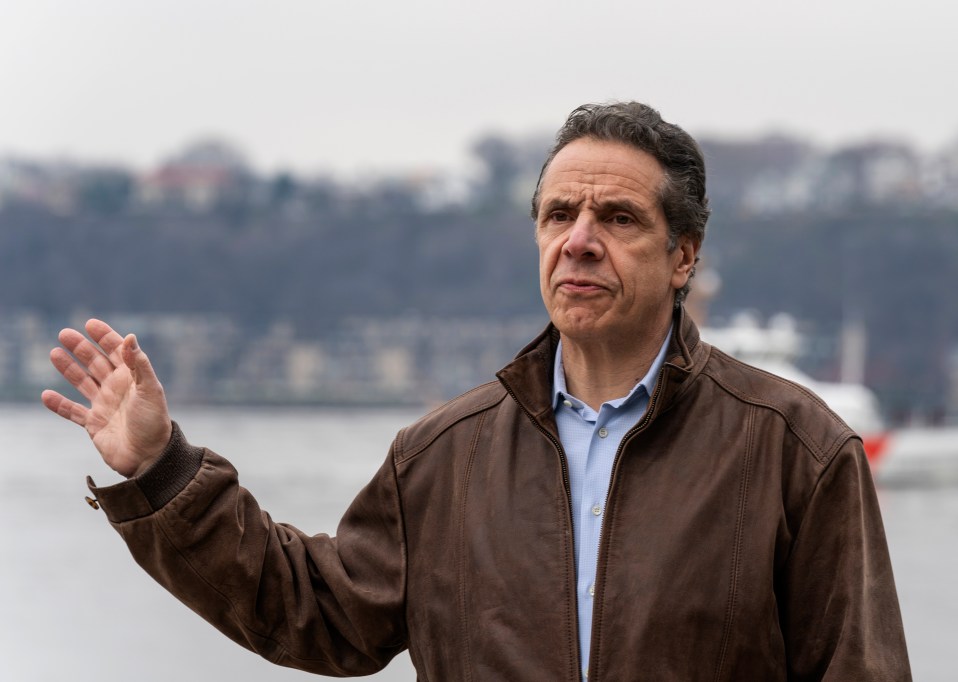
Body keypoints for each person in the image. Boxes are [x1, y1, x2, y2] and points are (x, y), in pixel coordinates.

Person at [42, 102, 911, 680]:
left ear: (683, 256)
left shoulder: (797, 449)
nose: (578, 241)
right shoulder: (443, 456)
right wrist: (163, 470)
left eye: (617, 218)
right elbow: (314, 611)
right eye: (557, 214)